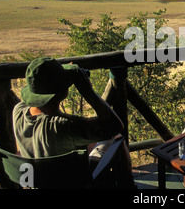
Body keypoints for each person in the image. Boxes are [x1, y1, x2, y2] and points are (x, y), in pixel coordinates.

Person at [13, 57, 135, 188]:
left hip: (38, 181)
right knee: (117, 139)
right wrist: (87, 90)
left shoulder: (18, 112)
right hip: (73, 182)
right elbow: (116, 126)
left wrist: (62, 73)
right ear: (61, 91)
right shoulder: (64, 126)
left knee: (91, 143)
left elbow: (35, 98)